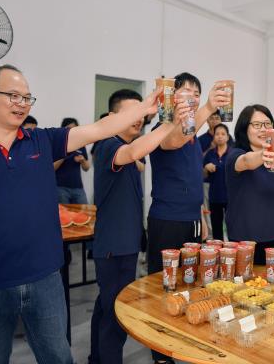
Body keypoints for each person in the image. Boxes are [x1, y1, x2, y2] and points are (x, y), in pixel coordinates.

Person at [0, 64, 160, 363]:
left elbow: (100, 129)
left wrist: (147, 105)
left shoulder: (44, 141)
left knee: (58, 357)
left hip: (45, 279)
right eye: (13, 95)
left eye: (27, 98)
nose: (21, 104)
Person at [89, 89, 178, 364]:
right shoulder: (109, 145)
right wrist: (171, 121)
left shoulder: (123, 148)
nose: (138, 118)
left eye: (141, 112)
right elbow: (134, 152)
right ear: (112, 117)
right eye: (132, 113)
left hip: (122, 243)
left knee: (105, 307)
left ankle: (96, 358)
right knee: (116, 315)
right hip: (114, 246)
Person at [147, 72, 229, 364]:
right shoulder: (163, 128)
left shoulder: (194, 138)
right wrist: (207, 107)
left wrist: (202, 217)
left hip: (192, 220)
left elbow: (193, 181)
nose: (192, 97)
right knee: (165, 286)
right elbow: (174, 141)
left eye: (197, 93)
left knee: (189, 286)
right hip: (168, 220)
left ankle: (181, 342)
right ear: (171, 97)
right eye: (186, 92)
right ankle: (160, 353)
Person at [225, 104, 274, 265]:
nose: (263, 129)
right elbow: (247, 161)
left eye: (267, 124)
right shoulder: (235, 155)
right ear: (244, 128)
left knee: (268, 280)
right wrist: (266, 152)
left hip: (271, 237)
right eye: (257, 125)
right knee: (245, 281)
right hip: (244, 240)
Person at [203, 123, 230, 241]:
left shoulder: (233, 153)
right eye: (217, 134)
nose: (220, 136)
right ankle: (219, 250)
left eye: (223, 134)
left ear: (228, 137)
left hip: (230, 197)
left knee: (232, 228)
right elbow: (203, 175)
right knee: (216, 230)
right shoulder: (209, 154)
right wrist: (206, 168)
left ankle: (231, 249)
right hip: (214, 197)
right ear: (214, 137)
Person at [54, 117, 91, 204]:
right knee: (63, 213)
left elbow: (86, 168)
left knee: (84, 212)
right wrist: (64, 155)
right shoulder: (57, 144)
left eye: (75, 129)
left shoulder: (80, 144)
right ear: (63, 130)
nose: (72, 131)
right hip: (60, 187)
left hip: (78, 187)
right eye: (69, 129)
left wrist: (82, 160)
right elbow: (52, 168)